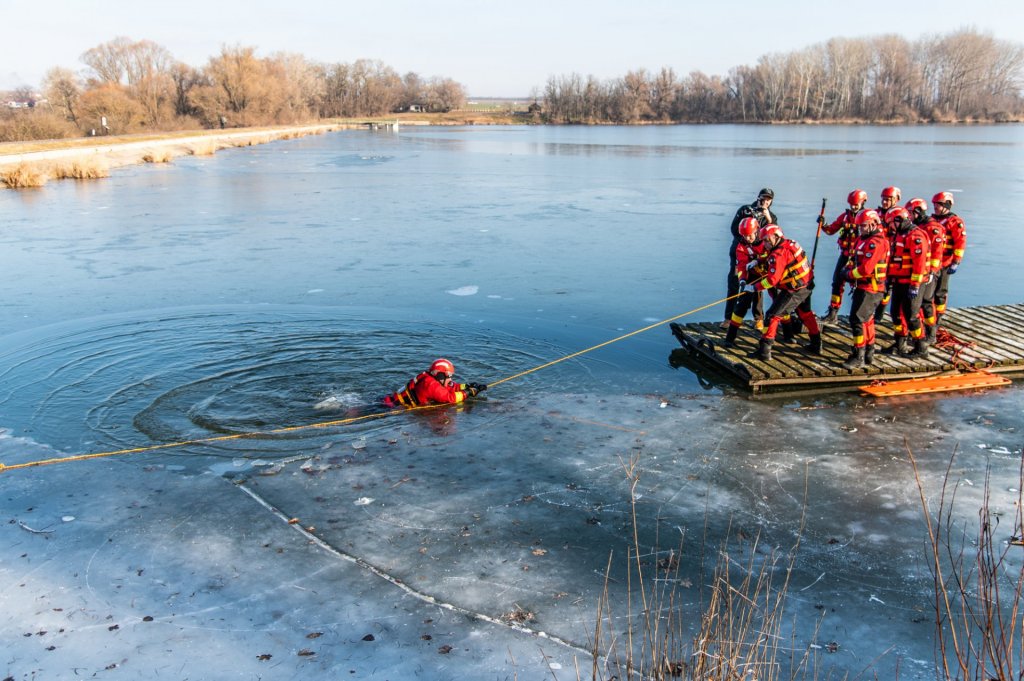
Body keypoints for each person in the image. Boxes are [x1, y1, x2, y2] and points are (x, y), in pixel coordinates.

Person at [745, 224, 822, 361]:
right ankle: (816, 343)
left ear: (776, 237)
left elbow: (771, 281)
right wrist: (758, 260)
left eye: (768, 240)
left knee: (772, 315)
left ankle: (764, 350)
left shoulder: (778, 255)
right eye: (763, 241)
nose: (765, 244)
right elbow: (771, 255)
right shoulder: (788, 243)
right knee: (805, 313)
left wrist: (754, 287)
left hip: (794, 289)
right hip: (806, 284)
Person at [838, 210, 889, 369]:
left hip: (870, 288)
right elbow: (855, 259)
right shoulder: (862, 239)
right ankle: (868, 352)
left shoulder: (877, 242)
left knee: (857, 320)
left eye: (864, 226)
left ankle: (858, 355)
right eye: (859, 226)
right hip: (863, 286)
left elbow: (866, 269)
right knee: (866, 319)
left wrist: (848, 275)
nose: (861, 228)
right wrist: (848, 269)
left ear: (874, 223)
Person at [725, 188, 777, 328]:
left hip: (759, 255)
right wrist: (746, 238)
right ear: (758, 197)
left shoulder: (771, 216)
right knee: (735, 281)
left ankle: (758, 318)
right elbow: (734, 229)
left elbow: (774, 237)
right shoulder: (745, 210)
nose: (765, 202)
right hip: (740, 251)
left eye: (768, 199)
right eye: (763, 198)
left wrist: (768, 219)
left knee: (757, 284)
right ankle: (728, 318)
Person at [882, 206, 930, 358]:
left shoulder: (916, 236)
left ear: (899, 220)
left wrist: (915, 285)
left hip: (912, 283)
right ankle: (900, 343)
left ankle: (920, 346)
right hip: (899, 281)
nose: (890, 227)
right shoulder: (899, 235)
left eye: (891, 223)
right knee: (896, 313)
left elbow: (919, 264)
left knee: (911, 315)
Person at [819, 189, 868, 324]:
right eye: (852, 204)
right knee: (837, 282)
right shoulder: (845, 217)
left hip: (859, 258)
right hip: (845, 255)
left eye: (856, 204)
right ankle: (833, 312)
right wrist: (823, 225)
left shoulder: (868, 218)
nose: (853, 206)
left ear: (863, 202)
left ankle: (859, 315)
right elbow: (831, 230)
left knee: (858, 286)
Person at [906, 197, 946, 344]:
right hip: (918, 272)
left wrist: (932, 271)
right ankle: (919, 331)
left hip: (930, 273)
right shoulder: (916, 227)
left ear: (918, 212)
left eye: (910, 213)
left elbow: (937, 253)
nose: (909, 216)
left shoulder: (933, 228)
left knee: (926, 302)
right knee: (916, 304)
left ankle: (931, 332)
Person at [723, 217, 766, 346]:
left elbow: (773, 254)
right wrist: (742, 280)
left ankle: (764, 324)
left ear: (757, 231)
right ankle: (730, 337)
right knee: (742, 303)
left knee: (777, 302)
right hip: (752, 274)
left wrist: (758, 260)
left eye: (749, 235)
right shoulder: (741, 246)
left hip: (771, 273)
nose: (747, 238)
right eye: (744, 236)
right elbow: (741, 265)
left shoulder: (766, 239)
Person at [382, 358, 487, 408]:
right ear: (441, 375)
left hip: (389, 400)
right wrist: (469, 392)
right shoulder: (430, 385)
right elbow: (450, 398)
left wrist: (467, 386)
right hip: (390, 407)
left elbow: (451, 386)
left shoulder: (430, 378)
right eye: (449, 376)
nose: (451, 379)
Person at [931, 191, 967, 332]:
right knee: (929, 294)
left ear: (947, 205)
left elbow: (960, 243)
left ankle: (937, 319)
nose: (935, 207)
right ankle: (929, 318)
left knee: (940, 292)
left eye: (938, 204)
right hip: (932, 263)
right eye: (934, 204)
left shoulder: (955, 222)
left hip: (945, 262)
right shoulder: (932, 220)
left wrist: (956, 261)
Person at [873, 186, 901, 323]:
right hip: (876, 255)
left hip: (892, 256)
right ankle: (871, 310)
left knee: (887, 285)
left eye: (888, 200)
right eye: (883, 199)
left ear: (896, 200)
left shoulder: (900, 215)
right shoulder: (875, 214)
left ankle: (879, 313)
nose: (884, 202)